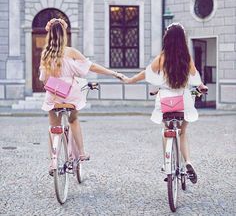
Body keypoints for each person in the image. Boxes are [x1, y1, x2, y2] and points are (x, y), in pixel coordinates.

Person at [122, 23, 207, 184]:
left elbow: (146, 73)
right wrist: (201, 86)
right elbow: (196, 78)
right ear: (182, 40)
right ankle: (188, 161)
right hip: (184, 100)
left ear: (166, 39)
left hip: (165, 101)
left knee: (166, 130)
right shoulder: (186, 58)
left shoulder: (162, 58)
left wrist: (130, 80)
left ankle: (166, 163)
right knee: (182, 132)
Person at [39, 18, 124, 174]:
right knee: (73, 120)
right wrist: (113, 73)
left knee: (53, 127)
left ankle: (53, 162)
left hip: (53, 95)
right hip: (70, 94)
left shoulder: (46, 54)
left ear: (49, 34)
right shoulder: (70, 52)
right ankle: (82, 152)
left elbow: (43, 78)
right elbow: (91, 67)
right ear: (64, 34)